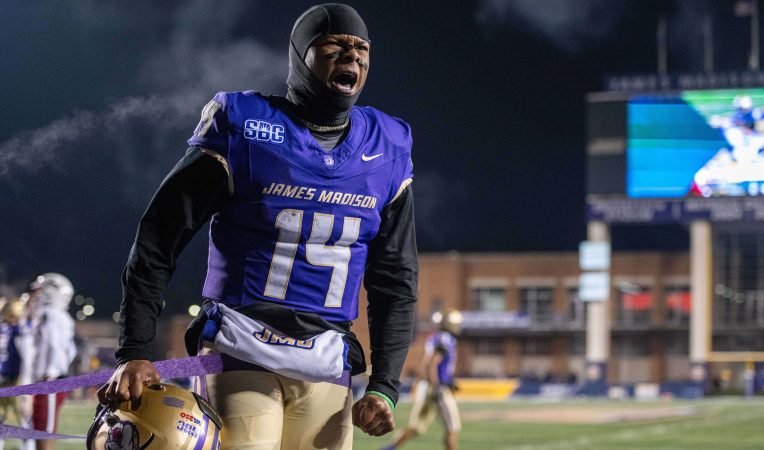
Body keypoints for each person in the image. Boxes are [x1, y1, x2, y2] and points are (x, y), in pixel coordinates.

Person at [99, 3, 418, 450]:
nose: (353, 56)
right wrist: (135, 349)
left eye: (361, 48)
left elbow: (396, 280)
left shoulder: (387, 146)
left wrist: (385, 383)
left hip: (327, 359)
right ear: (301, 56)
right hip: (242, 346)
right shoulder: (246, 126)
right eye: (335, 45)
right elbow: (158, 237)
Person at [384, 309, 462, 450]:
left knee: (416, 427)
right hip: (437, 387)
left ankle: (389, 448)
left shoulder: (435, 337)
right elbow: (433, 362)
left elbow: (428, 363)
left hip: (426, 386)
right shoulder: (445, 338)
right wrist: (437, 384)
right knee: (453, 426)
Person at [28, 273, 77, 450]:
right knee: (41, 430)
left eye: (40, 291)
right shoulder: (51, 314)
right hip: (48, 379)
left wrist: (51, 371)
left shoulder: (52, 315)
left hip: (49, 380)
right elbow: (70, 351)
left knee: (43, 433)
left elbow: (54, 345)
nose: (36, 295)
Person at [0, 297, 34, 450]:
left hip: (17, 378)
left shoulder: (21, 330)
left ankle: (28, 445)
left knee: (23, 415)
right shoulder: (12, 329)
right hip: (4, 377)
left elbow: (27, 357)